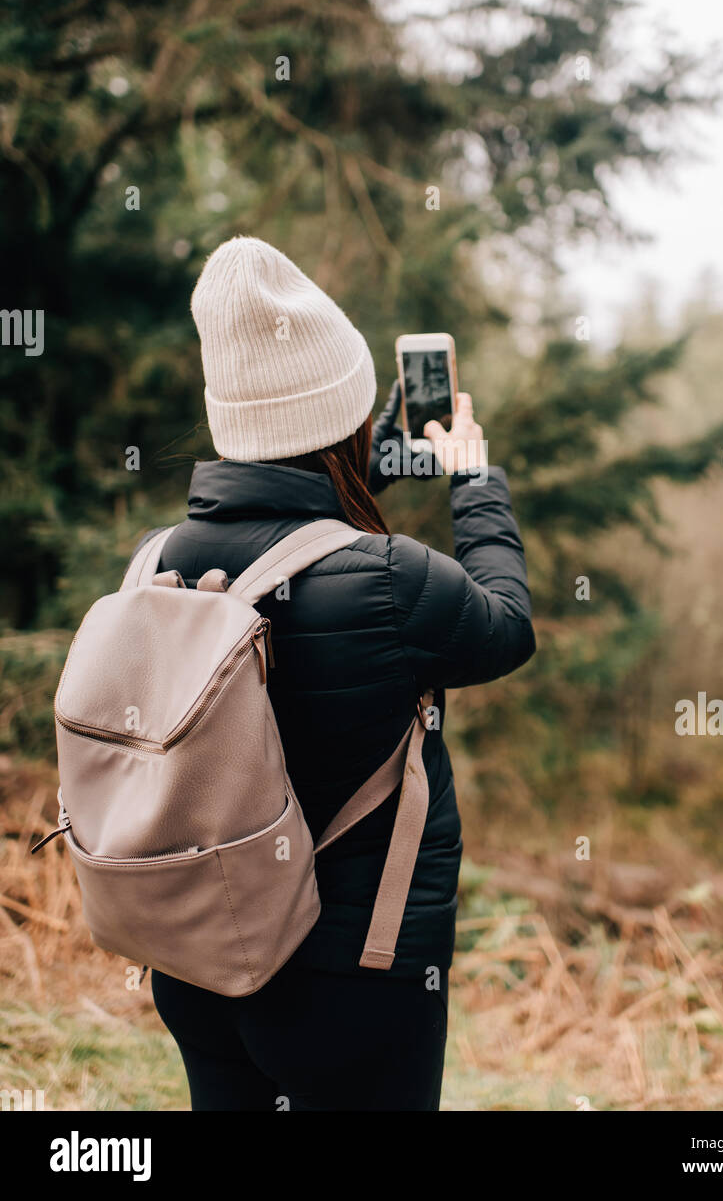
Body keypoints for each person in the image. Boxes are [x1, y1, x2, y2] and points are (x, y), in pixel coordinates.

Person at [133, 235, 535, 1111]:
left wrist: (358, 437)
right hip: (354, 978)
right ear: (343, 424)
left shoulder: (155, 564)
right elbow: (505, 628)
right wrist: (475, 484)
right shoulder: (393, 578)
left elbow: (295, 529)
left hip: (199, 963)